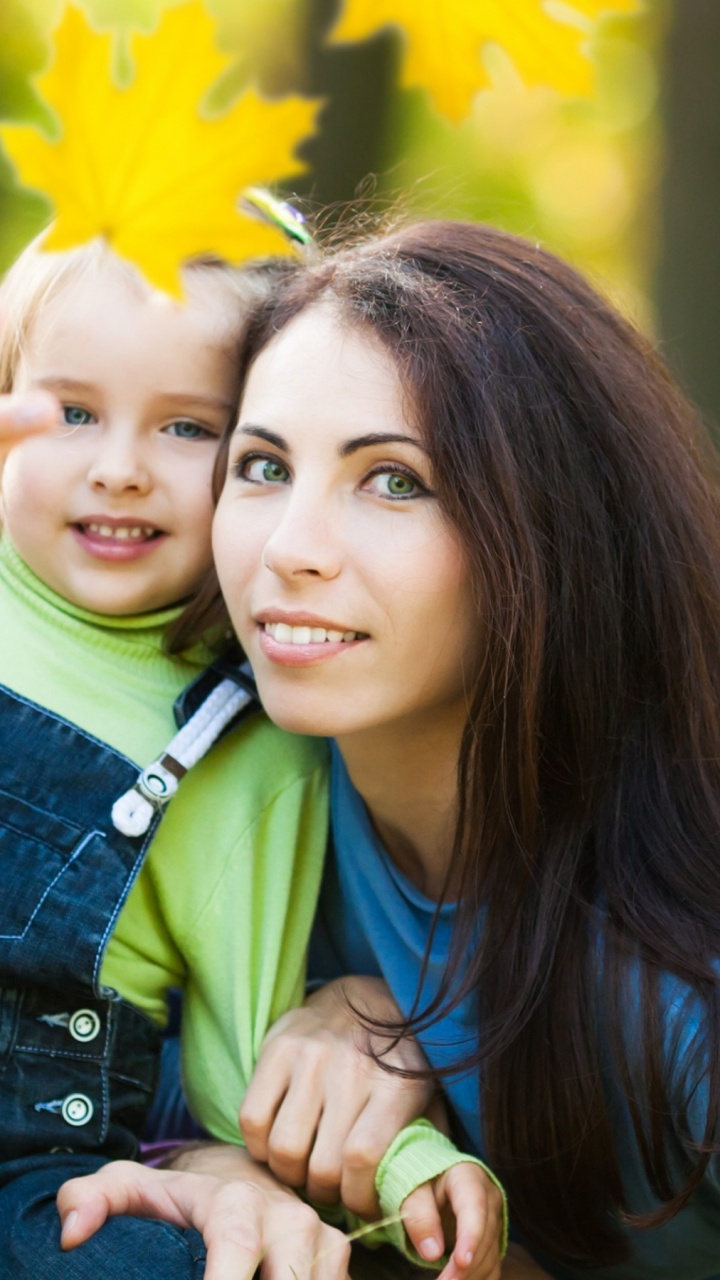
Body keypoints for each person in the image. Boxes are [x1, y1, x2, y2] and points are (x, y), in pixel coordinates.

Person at [60, 218, 720, 1279]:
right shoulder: (192, 787)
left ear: (553, 531)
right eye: (263, 465)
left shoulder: (678, 964)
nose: (289, 549)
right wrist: (225, 1163)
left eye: (394, 480)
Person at [0, 234, 505, 1280]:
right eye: (74, 411)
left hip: (31, 1160)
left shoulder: (247, 744)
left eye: (189, 427)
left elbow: (249, 1044)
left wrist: (406, 1161)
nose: (120, 467)